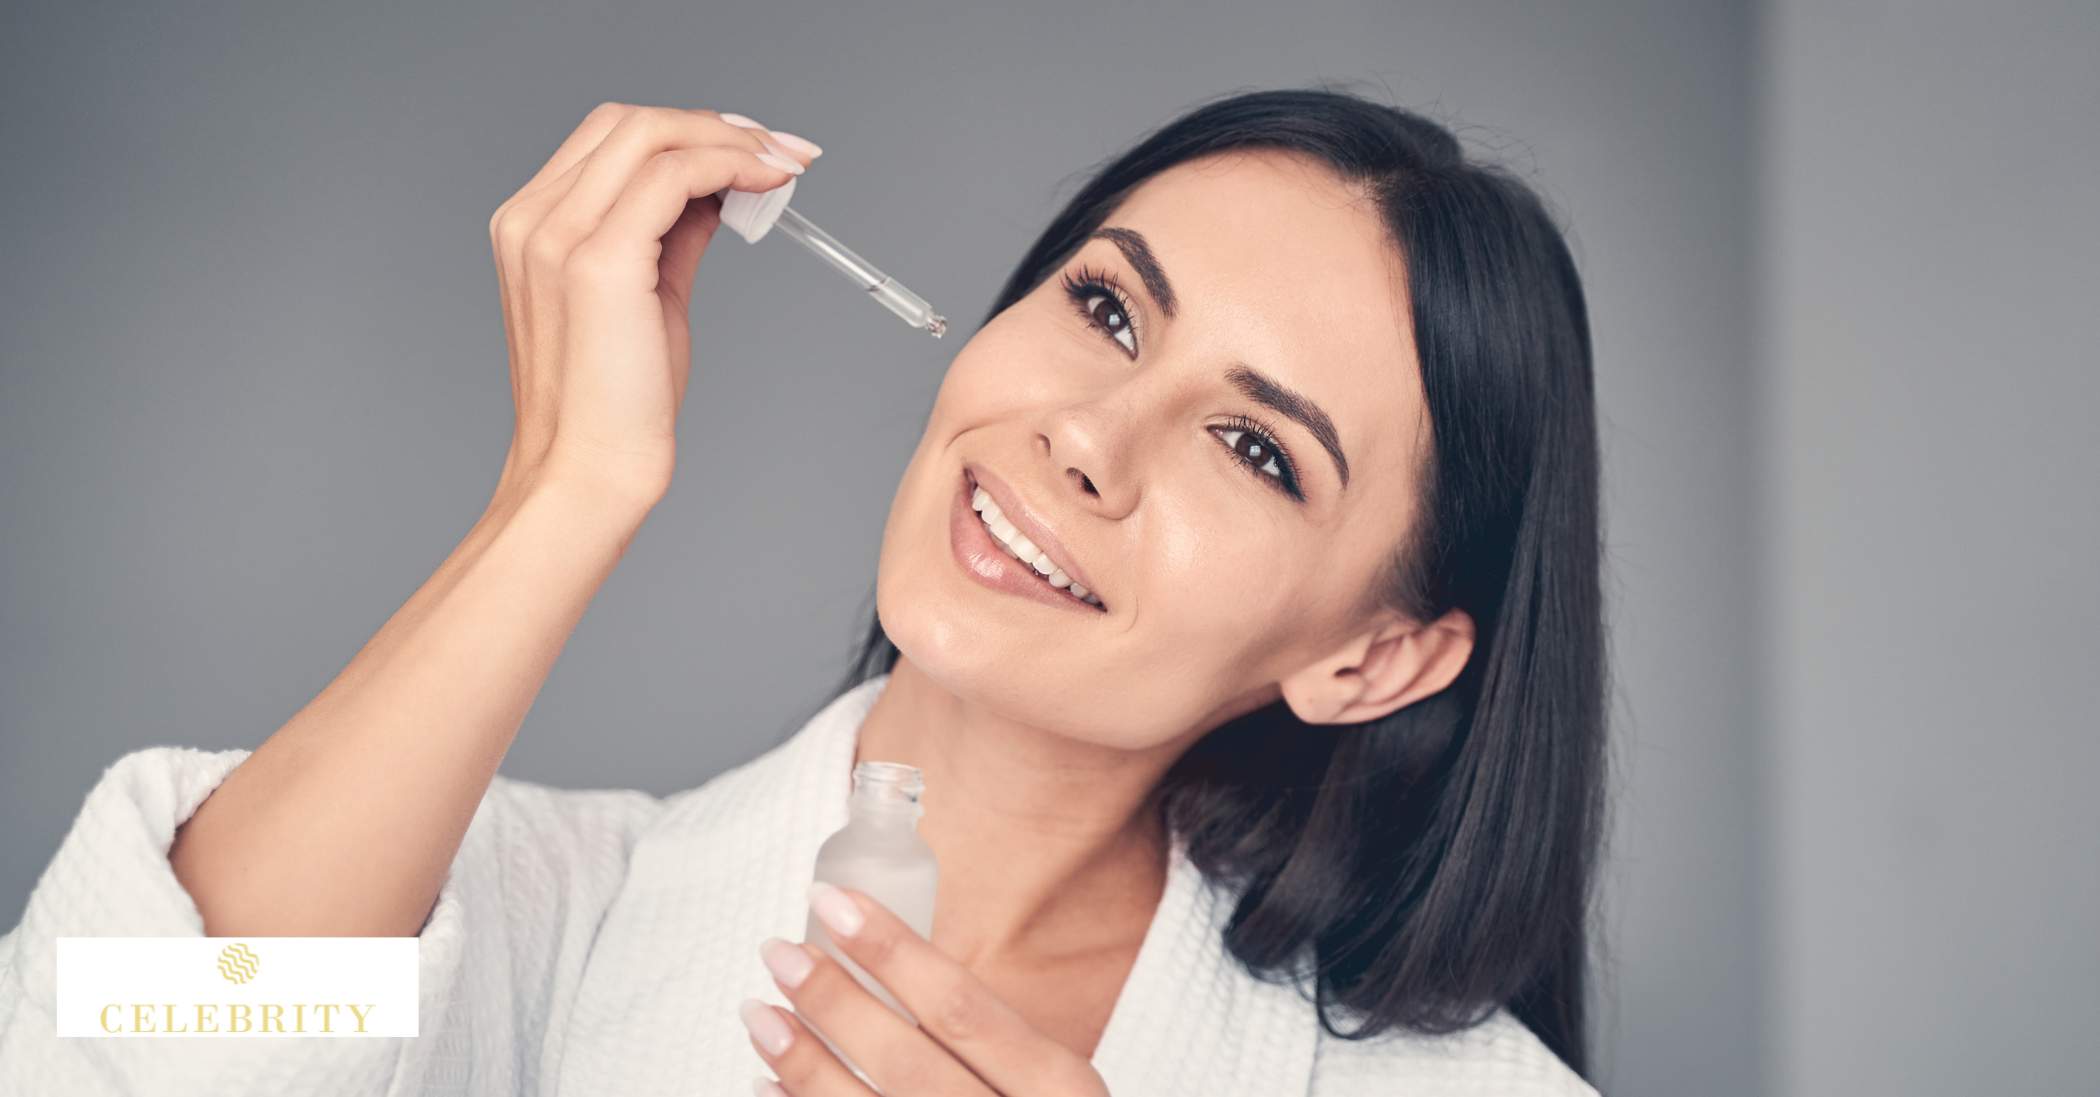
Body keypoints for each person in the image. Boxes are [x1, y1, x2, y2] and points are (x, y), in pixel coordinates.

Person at [0, 84, 1607, 1096]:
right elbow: (107, 1044)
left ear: (1377, 657)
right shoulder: (533, 915)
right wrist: (565, 491)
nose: (1086, 437)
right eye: (1109, 312)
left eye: (1256, 448)